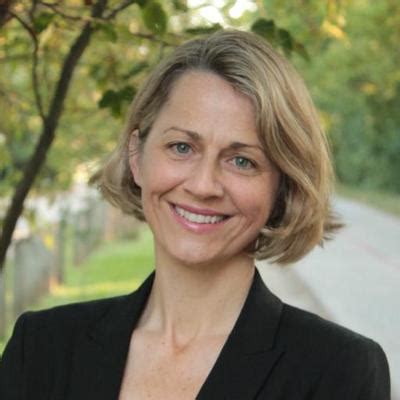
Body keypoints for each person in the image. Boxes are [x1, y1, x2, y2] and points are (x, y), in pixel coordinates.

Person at [0, 29, 390, 399]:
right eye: (182, 147)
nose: (204, 185)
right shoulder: (40, 349)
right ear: (137, 156)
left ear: (282, 187)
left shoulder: (338, 371)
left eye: (242, 161)